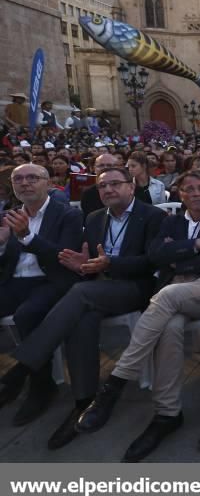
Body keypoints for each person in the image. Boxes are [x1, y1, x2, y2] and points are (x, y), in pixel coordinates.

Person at [74, 170, 200, 462]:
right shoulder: (170, 220)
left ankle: (115, 383)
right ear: (181, 194)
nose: (197, 193)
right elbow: (154, 256)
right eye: (190, 189)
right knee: (170, 327)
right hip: (175, 287)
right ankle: (167, 413)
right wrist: (195, 245)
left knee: (163, 297)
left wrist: (177, 255)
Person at [0, 167, 165, 447]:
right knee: (82, 317)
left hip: (135, 288)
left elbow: (153, 262)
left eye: (115, 184)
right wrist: (82, 265)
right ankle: (84, 401)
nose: (108, 190)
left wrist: (110, 264)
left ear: (132, 186)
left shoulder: (153, 216)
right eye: (103, 186)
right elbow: (86, 263)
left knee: (80, 293)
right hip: (98, 287)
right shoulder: (95, 217)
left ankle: (21, 368)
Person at [0, 164, 83, 422]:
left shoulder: (66, 215)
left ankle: (41, 385)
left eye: (32, 178)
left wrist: (26, 237)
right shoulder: (9, 215)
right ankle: (16, 380)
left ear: (48, 183)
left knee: (27, 315)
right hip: (13, 281)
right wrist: (2, 245)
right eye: (18, 179)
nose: (25, 183)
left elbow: (64, 257)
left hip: (50, 281)